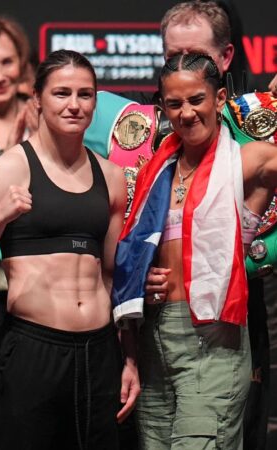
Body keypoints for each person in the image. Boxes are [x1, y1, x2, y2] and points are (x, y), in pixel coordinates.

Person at [112, 53, 277, 450]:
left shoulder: (248, 161)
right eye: (174, 103)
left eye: (196, 100)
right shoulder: (156, 171)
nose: (186, 113)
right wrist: (143, 278)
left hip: (213, 344)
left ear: (220, 99)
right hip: (154, 343)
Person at [0, 49, 140, 450]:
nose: (74, 104)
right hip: (34, 351)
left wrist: (131, 358)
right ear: (37, 98)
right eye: (61, 93)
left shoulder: (112, 176)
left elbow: (111, 275)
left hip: (100, 353)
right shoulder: (9, 169)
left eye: (85, 94)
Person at [0, 16, 38, 450]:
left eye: (6, 62)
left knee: (33, 415)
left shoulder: (45, 124)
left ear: (22, 65)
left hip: (37, 298)